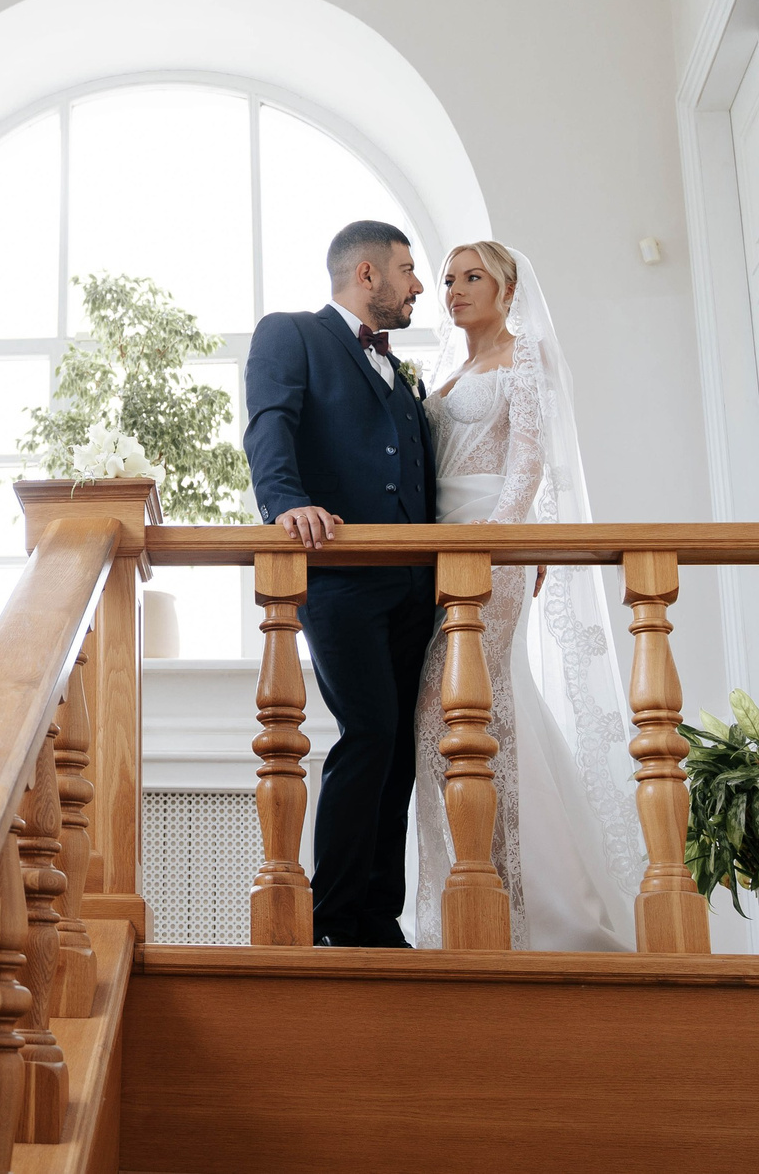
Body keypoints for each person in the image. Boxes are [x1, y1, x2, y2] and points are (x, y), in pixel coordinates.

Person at [412, 241, 644, 950]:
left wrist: (500, 537)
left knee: (469, 707)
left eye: (473, 277)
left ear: (508, 289)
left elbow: (530, 459)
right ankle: (448, 899)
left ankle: (503, 901)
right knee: (450, 715)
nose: (456, 289)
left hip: (490, 549)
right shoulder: (447, 377)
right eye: (449, 279)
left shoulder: (525, 358)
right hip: (433, 554)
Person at [241, 220, 438, 948]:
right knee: (370, 730)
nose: (419, 285)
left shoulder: (398, 368)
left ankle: (380, 914)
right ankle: (333, 920)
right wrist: (286, 502)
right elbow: (270, 425)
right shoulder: (290, 334)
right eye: (408, 269)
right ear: (367, 274)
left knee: (403, 748)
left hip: (416, 584)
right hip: (343, 578)